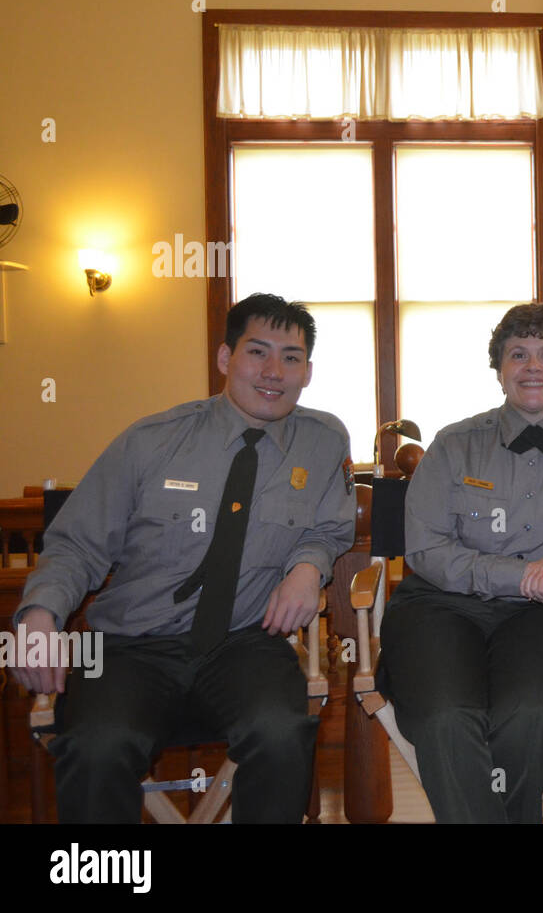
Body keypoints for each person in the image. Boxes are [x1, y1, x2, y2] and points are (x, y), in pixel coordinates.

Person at [12, 293, 355, 823]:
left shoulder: (323, 441)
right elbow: (77, 544)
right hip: (130, 646)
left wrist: (309, 566)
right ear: (225, 358)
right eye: (257, 352)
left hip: (244, 641)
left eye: (291, 357)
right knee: (97, 747)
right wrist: (39, 615)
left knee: (282, 731)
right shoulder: (151, 442)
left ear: (307, 371)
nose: (274, 371)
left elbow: (329, 527)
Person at [378, 302, 543, 823]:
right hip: (441, 606)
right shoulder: (454, 444)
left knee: (532, 716)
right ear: (499, 370)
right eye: (518, 354)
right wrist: (518, 575)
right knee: (445, 718)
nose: (533, 366)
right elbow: (425, 549)